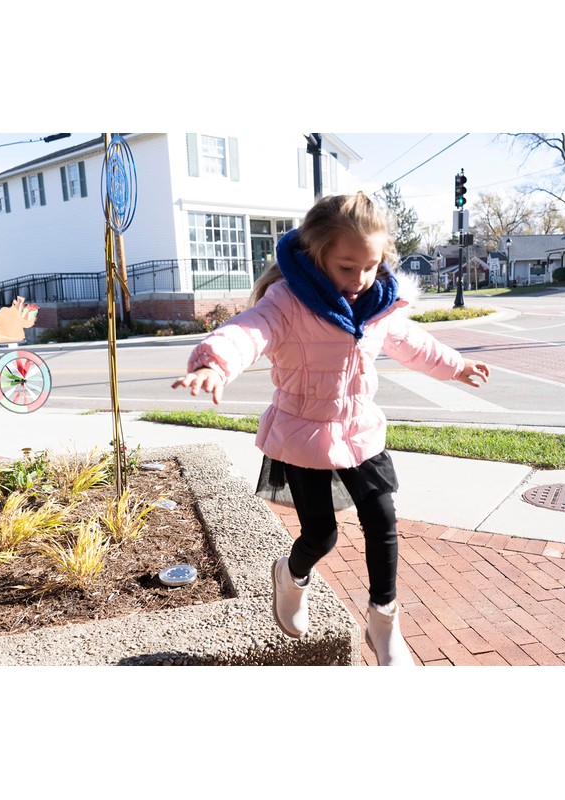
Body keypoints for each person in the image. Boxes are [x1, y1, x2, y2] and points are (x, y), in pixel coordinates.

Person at [172, 193, 490, 666]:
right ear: (317, 255)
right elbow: (248, 331)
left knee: (383, 521)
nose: (360, 280)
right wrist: (215, 363)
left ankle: (384, 620)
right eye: (346, 267)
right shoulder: (288, 301)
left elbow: (414, 344)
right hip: (304, 435)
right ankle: (290, 576)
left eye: (371, 265)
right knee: (320, 536)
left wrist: (457, 366)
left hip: (360, 428)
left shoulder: (379, 303)